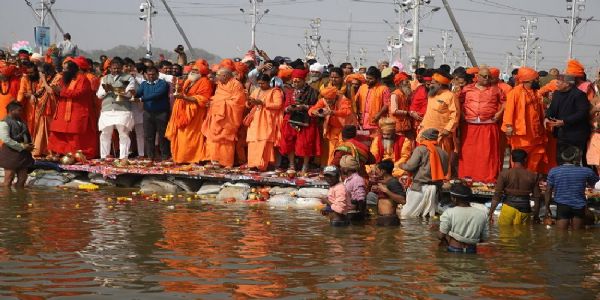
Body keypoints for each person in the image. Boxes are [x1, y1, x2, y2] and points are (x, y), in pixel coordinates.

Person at [458, 67, 505, 183]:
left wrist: (499, 113)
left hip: (488, 125)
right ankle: (467, 177)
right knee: (468, 153)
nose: (487, 78)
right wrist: (462, 114)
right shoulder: (466, 89)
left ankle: (487, 179)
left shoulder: (496, 90)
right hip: (470, 125)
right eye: (484, 76)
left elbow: (505, 102)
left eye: (489, 76)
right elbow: (458, 101)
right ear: (477, 77)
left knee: (487, 154)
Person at [165, 59, 214, 164]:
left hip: (195, 114)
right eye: (193, 69)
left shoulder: (205, 82)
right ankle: (181, 158)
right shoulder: (188, 81)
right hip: (183, 111)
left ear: (201, 72)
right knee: (181, 135)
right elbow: (182, 93)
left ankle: (192, 158)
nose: (193, 71)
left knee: (191, 136)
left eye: (196, 70)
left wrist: (184, 98)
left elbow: (203, 99)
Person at [48, 59, 98, 158]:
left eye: (65, 69)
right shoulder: (65, 79)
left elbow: (79, 93)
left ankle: (78, 156)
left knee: (75, 136)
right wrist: (56, 91)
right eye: (63, 68)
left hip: (77, 111)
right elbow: (60, 92)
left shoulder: (83, 79)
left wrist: (61, 91)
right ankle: (62, 153)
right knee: (59, 132)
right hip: (63, 111)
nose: (63, 71)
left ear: (72, 69)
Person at [501, 67, 547, 174]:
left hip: (536, 133)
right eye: (536, 79)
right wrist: (509, 125)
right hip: (521, 133)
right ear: (529, 80)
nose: (538, 81)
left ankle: (530, 178)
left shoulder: (536, 92)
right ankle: (518, 178)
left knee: (536, 155)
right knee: (519, 157)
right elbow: (509, 110)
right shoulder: (515, 92)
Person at [201, 68, 246, 167]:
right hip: (216, 115)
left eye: (218, 75)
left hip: (228, 117)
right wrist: (212, 103)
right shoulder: (220, 85)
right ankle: (212, 160)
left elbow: (238, 102)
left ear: (225, 76)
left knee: (225, 139)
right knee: (212, 137)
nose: (216, 77)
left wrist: (219, 103)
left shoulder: (236, 85)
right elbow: (217, 97)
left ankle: (225, 162)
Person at [545, 146, 598, 230]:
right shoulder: (586, 171)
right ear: (577, 157)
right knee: (577, 235)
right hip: (579, 205)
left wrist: (547, 207)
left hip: (562, 206)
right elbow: (595, 184)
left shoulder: (554, 171)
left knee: (561, 236)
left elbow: (548, 191)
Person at [419, 70, 460, 177]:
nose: (430, 83)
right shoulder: (431, 94)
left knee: (440, 161)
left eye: (433, 81)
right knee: (425, 159)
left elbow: (455, 115)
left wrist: (447, 130)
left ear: (440, 84)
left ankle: (442, 182)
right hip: (425, 134)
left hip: (440, 136)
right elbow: (429, 113)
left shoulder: (450, 96)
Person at [400, 128, 449, 218]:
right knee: (428, 218)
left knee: (407, 217)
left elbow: (410, 167)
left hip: (419, 189)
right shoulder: (444, 153)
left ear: (424, 138)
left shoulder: (420, 149)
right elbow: (444, 172)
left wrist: (401, 165)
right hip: (435, 189)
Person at [279, 68, 320, 172]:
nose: (295, 83)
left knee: (305, 144)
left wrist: (304, 107)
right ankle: (292, 164)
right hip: (290, 120)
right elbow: (285, 107)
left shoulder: (313, 92)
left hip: (306, 120)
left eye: (298, 81)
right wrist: (289, 108)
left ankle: (305, 166)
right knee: (289, 142)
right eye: (294, 81)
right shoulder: (289, 92)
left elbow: (316, 106)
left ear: (304, 80)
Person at [545, 74, 590, 165]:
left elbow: (582, 113)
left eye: (558, 82)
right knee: (560, 160)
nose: (556, 84)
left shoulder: (579, 95)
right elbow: (552, 109)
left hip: (575, 134)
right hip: (561, 133)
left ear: (567, 84)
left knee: (573, 161)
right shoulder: (557, 94)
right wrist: (547, 117)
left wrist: (564, 121)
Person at [96, 58, 136, 159]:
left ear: (122, 68)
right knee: (105, 133)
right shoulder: (104, 78)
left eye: (118, 68)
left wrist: (115, 90)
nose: (116, 70)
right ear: (110, 68)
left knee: (123, 133)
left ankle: (123, 158)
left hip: (122, 110)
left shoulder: (129, 78)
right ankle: (104, 157)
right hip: (107, 109)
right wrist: (106, 91)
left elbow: (129, 94)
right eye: (114, 68)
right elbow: (99, 95)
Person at [489, 149, 542, 225]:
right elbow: (537, 197)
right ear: (525, 159)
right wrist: (536, 216)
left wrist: (491, 212)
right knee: (522, 236)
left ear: (512, 159)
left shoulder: (504, 174)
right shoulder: (533, 175)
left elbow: (497, 194)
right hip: (525, 209)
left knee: (505, 235)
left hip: (508, 208)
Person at [17, 63, 57, 157]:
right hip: (31, 107)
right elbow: (22, 92)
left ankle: (44, 150)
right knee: (32, 127)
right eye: (28, 73)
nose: (30, 74)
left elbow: (45, 90)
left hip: (44, 108)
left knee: (41, 128)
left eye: (32, 72)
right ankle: (34, 148)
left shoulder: (43, 77)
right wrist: (29, 96)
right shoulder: (25, 78)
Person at [245, 74, 283, 171]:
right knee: (253, 141)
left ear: (268, 82)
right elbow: (249, 103)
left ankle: (262, 166)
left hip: (267, 120)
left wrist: (263, 103)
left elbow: (278, 105)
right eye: (259, 83)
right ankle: (253, 164)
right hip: (255, 120)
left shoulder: (275, 92)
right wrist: (249, 101)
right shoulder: (257, 90)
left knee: (264, 142)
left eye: (263, 83)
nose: (261, 85)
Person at [438, 183, 489, 254]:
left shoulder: (449, 212)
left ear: (455, 199)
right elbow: (484, 238)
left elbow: (441, 236)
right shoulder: (482, 214)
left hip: (454, 249)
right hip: (472, 250)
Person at [309, 86, 353, 165]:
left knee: (343, 149)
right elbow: (311, 110)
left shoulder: (344, 99)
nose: (328, 101)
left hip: (345, 128)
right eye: (326, 99)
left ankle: (343, 167)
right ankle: (332, 167)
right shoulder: (323, 100)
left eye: (330, 99)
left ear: (335, 97)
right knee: (332, 149)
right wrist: (315, 112)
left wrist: (332, 112)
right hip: (332, 128)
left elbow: (347, 111)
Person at [135, 66, 171, 160]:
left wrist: (141, 99)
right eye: (149, 74)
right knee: (148, 136)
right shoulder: (143, 84)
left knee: (163, 136)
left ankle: (165, 157)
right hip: (148, 113)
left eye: (153, 74)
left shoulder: (163, 83)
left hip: (161, 113)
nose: (151, 76)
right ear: (146, 75)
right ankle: (150, 157)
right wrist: (127, 93)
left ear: (158, 74)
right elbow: (137, 93)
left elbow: (156, 95)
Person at [0, 102, 34, 188]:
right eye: (19, 110)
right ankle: (7, 200)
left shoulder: (21, 121)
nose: (21, 112)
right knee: (9, 179)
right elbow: (6, 139)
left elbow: (26, 134)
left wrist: (29, 145)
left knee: (23, 178)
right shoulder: (4, 122)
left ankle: (19, 200)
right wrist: (22, 146)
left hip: (23, 153)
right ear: (11, 111)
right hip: (10, 153)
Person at [355, 67, 391, 135]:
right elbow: (355, 101)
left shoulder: (383, 89)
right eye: (367, 78)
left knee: (374, 142)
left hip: (376, 122)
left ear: (377, 79)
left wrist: (379, 114)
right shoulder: (362, 87)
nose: (368, 80)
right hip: (362, 121)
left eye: (370, 79)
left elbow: (387, 104)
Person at [373, 159, 407, 227]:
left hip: (389, 220)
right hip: (382, 219)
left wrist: (386, 191)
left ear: (383, 171)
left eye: (377, 169)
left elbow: (403, 200)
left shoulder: (393, 182)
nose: (375, 172)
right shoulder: (384, 182)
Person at [340, 155, 367, 220]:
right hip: (347, 212)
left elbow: (361, 199)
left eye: (341, 167)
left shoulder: (357, 179)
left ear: (346, 169)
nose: (340, 169)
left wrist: (360, 215)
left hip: (353, 215)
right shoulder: (347, 179)